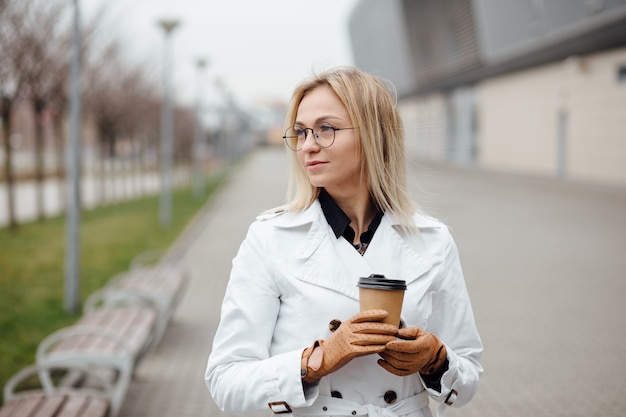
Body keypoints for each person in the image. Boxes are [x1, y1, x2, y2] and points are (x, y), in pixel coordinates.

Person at [205, 67, 482, 417]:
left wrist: (435, 359)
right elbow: (226, 381)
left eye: (326, 129)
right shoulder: (270, 239)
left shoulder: (433, 241)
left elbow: (468, 376)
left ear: (373, 134)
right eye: (301, 132)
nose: (308, 146)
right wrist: (317, 361)